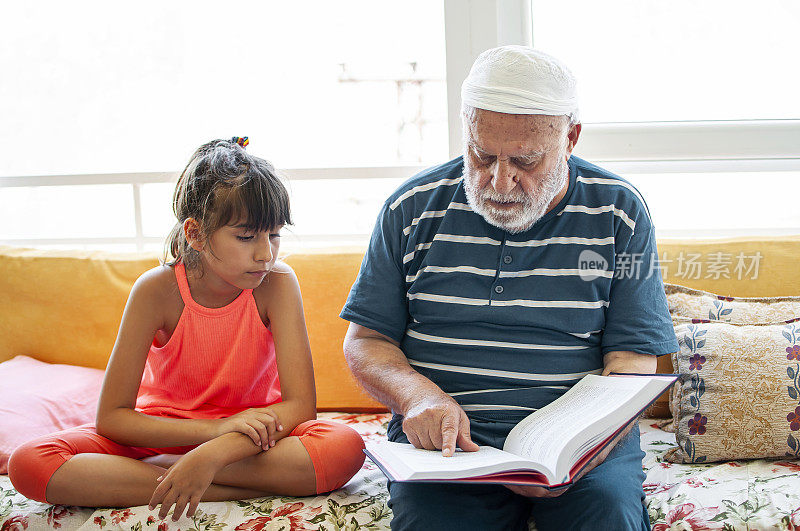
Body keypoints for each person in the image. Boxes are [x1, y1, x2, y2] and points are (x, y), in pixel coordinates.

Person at [340, 47, 678, 530]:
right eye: (481, 155)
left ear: (571, 138)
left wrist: (579, 446)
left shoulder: (619, 213)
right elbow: (367, 341)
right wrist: (416, 397)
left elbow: (633, 361)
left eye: (525, 160)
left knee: (609, 516)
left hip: (577, 445)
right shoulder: (411, 209)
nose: (499, 180)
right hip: (448, 444)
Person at [9, 137, 365, 521]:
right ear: (195, 233)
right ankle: (194, 478)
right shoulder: (155, 290)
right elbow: (113, 417)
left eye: (274, 234)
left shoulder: (277, 283)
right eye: (246, 236)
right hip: (165, 436)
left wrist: (215, 454)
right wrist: (212, 433)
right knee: (29, 462)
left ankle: (181, 475)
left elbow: (299, 407)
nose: (266, 253)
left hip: (250, 441)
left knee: (345, 447)